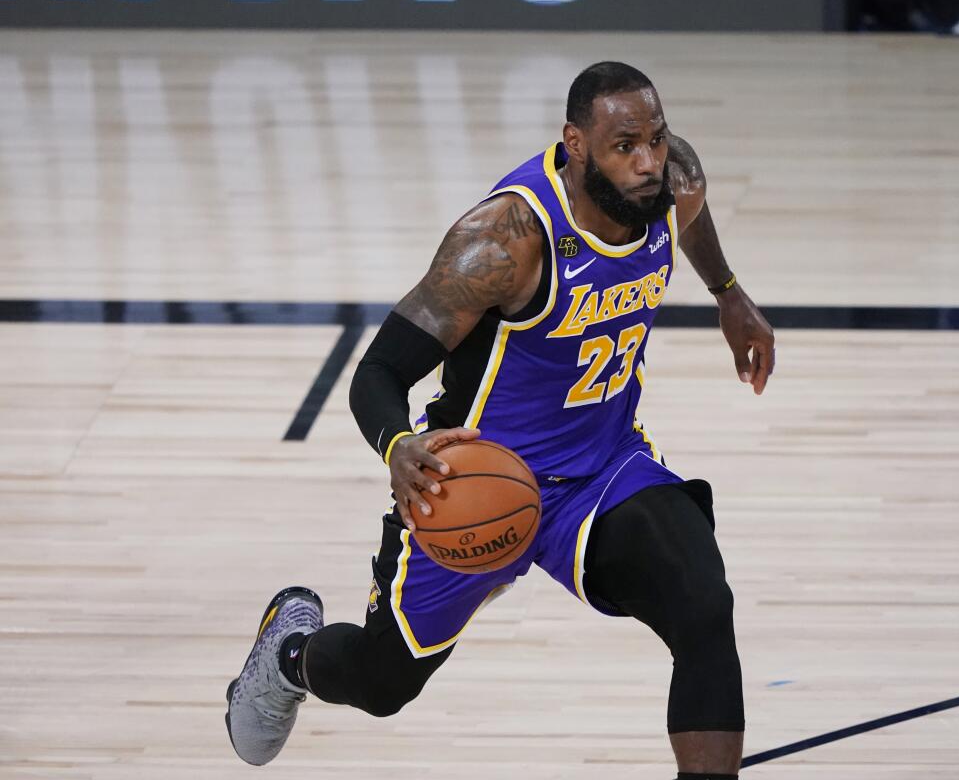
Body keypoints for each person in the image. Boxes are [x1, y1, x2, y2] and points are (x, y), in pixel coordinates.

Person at [225, 61, 775, 780]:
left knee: (704, 607)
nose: (647, 162)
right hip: (477, 479)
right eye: (624, 146)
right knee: (383, 681)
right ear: (576, 144)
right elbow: (378, 372)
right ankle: (290, 656)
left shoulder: (672, 179)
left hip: (602, 472)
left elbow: (690, 220)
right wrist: (398, 446)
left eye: (656, 139)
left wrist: (728, 293)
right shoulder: (504, 241)